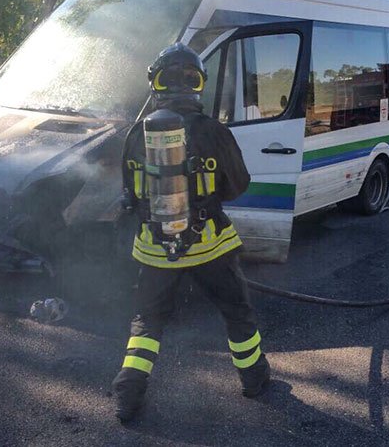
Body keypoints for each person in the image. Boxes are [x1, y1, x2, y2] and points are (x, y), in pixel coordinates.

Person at [112, 43, 270, 422]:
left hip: (154, 248)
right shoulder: (213, 131)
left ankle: (127, 392)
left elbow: (131, 195)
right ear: (198, 84)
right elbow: (238, 185)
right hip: (210, 245)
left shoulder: (137, 134)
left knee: (147, 321)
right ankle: (254, 378)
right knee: (236, 312)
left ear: (156, 84)